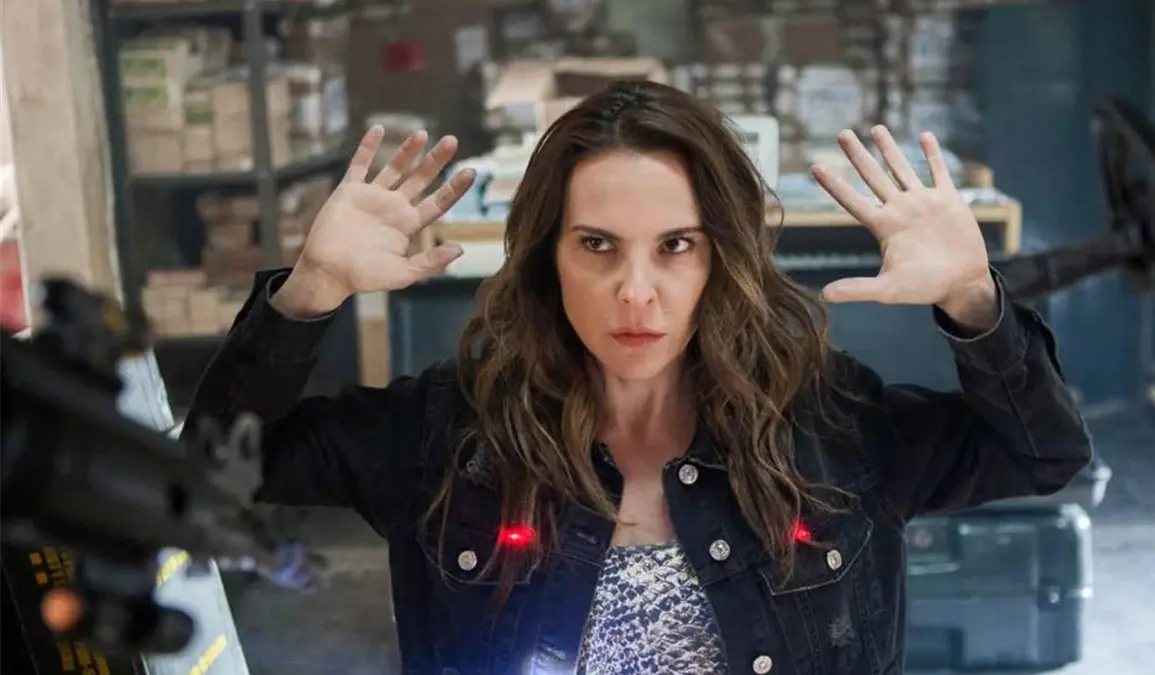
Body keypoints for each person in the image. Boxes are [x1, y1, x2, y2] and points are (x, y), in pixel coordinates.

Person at [184, 80, 1092, 675]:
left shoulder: (830, 428)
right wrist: (309, 292)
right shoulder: (448, 437)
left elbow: (1046, 455)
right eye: (597, 245)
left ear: (721, 256)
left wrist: (974, 299)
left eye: (676, 246)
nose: (635, 291)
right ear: (547, 257)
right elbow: (208, 477)